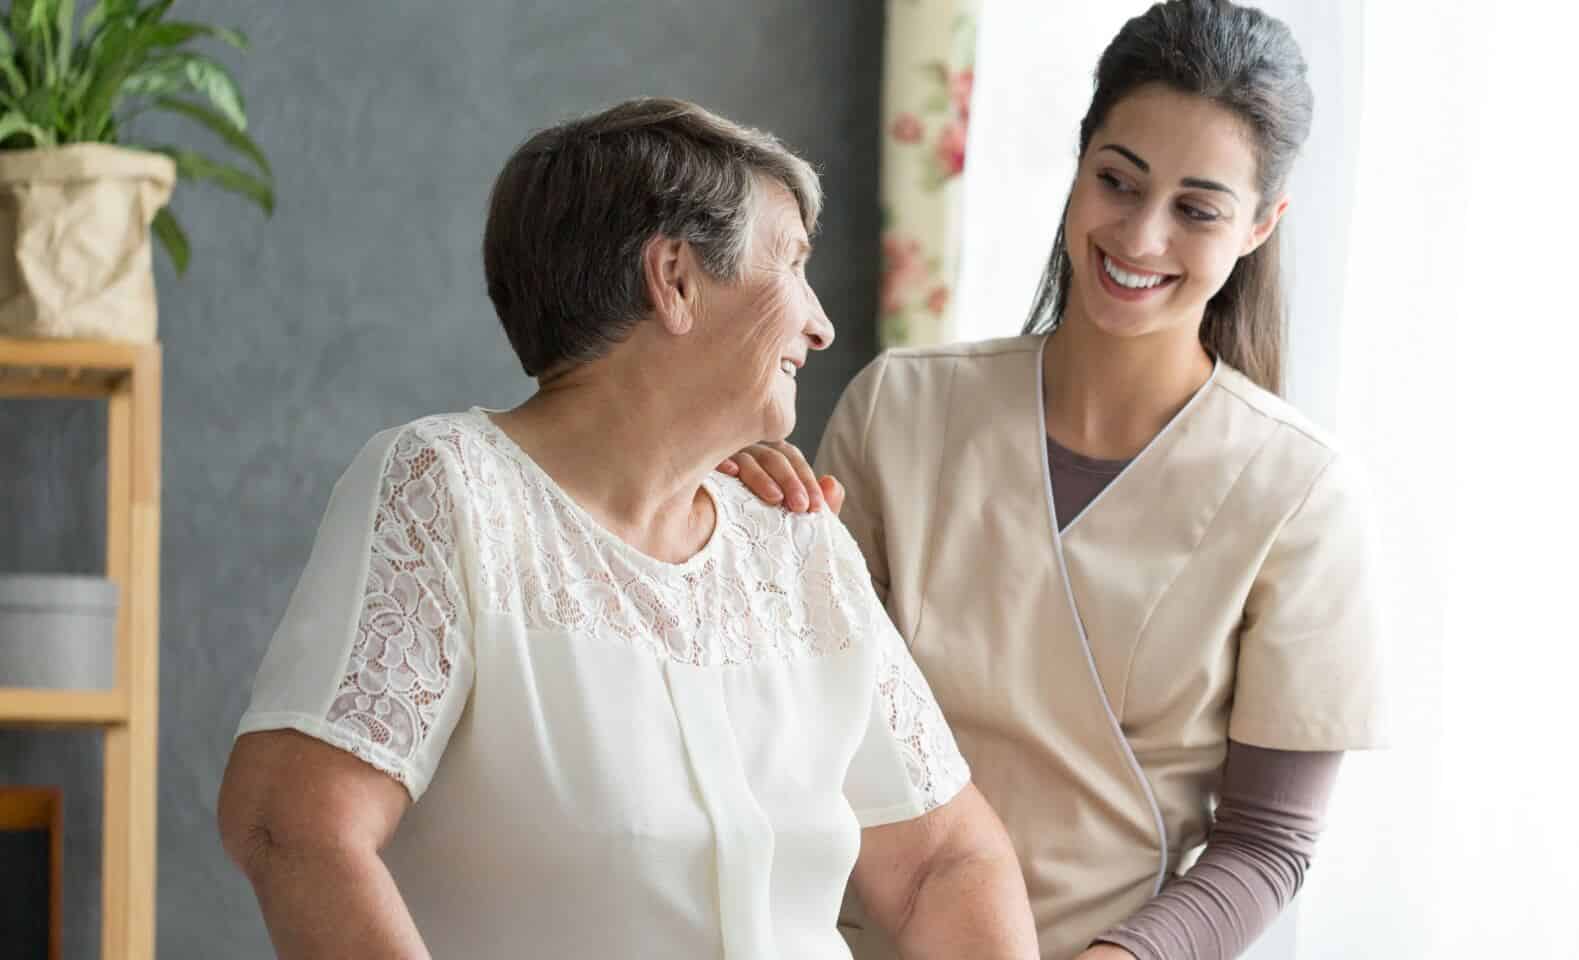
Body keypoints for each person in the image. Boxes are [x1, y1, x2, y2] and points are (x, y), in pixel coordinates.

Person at [215, 98, 1037, 960]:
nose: (821, 325)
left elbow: (944, 861)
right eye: (792, 264)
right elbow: (291, 824)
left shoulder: (796, 541)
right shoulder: (452, 492)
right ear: (674, 278)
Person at [723, 3, 1388, 957]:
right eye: (1119, 181)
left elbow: (1267, 843)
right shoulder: (901, 407)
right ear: (1079, 166)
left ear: (1259, 226)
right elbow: (794, 726)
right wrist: (732, 539)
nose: (1143, 237)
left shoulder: (1301, 494)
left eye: (1197, 209)